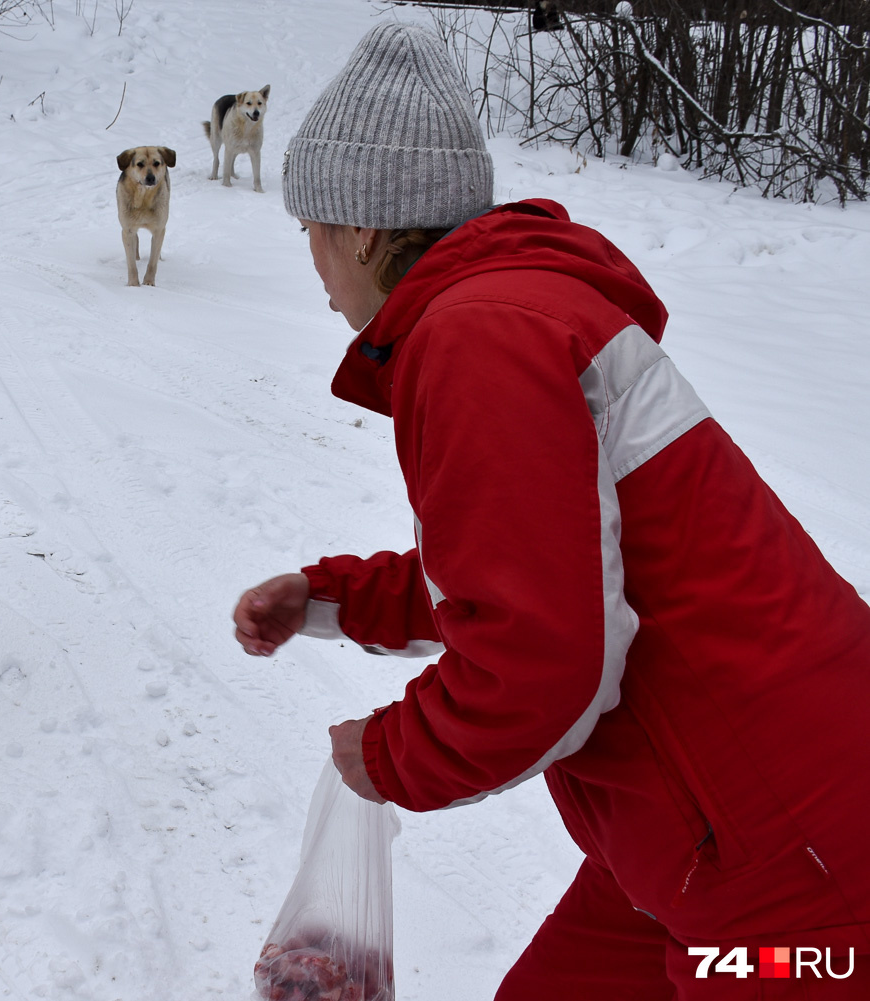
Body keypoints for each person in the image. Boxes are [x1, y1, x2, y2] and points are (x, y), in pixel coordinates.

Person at [233, 21, 870, 1000]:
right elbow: (518, 569)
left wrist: (394, 751)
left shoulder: (480, 334)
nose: (313, 262)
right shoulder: (506, 312)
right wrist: (328, 598)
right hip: (683, 832)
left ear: (360, 227)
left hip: (793, 863)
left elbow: (544, 658)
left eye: (309, 230)